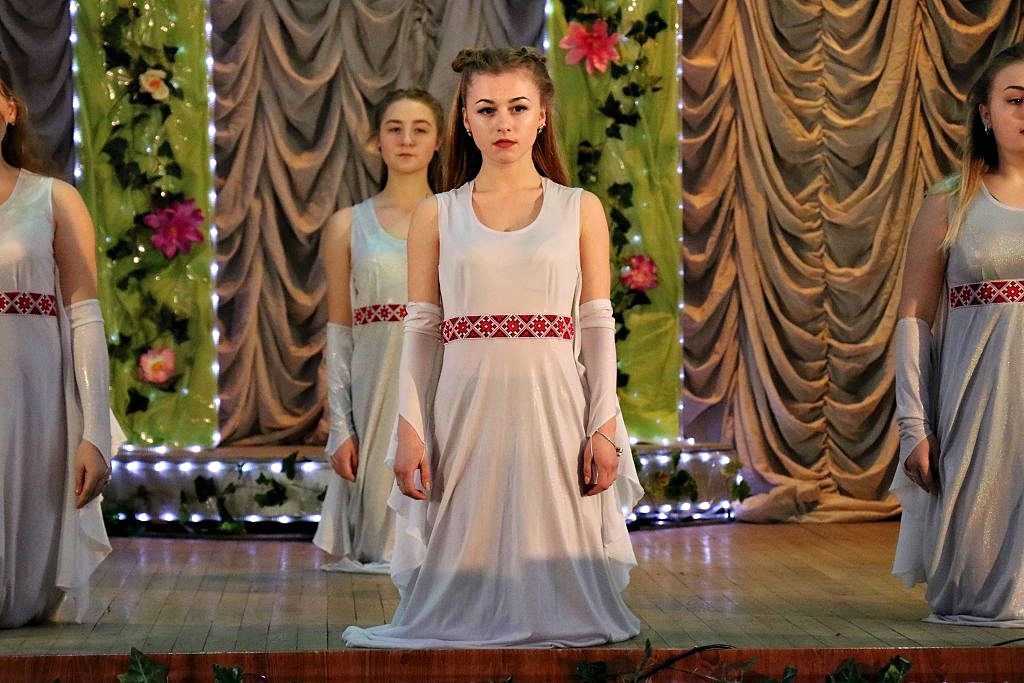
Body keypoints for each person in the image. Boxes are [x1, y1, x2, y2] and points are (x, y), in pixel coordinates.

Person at [343, 46, 643, 648]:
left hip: (555, 403)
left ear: (542, 115)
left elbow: (596, 325)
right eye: (486, 109)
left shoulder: (580, 209)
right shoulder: (437, 214)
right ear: (466, 119)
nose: (503, 122)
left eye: (517, 107)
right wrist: (410, 429)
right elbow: (421, 331)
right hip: (464, 403)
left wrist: (604, 427)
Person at [893, 41, 1024, 626]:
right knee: (974, 585)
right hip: (978, 411)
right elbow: (913, 319)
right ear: (986, 112)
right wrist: (913, 426)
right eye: (1016, 100)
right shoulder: (951, 202)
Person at [0, 56, 112, 627]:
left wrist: (96, 433)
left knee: (21, 594)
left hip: (32, 396)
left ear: (9, 109)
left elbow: (85, 315)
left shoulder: (53, 198)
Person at [313, 89, 445, 573]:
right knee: (377, 537)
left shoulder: (458, 218)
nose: (406, 139)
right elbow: (339, 332)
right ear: (376, 141)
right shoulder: (347, 225)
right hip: (374, 386)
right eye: (394, 128)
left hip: (441, 380)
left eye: (420, 129)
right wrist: (340, 428)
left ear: (439, 142)